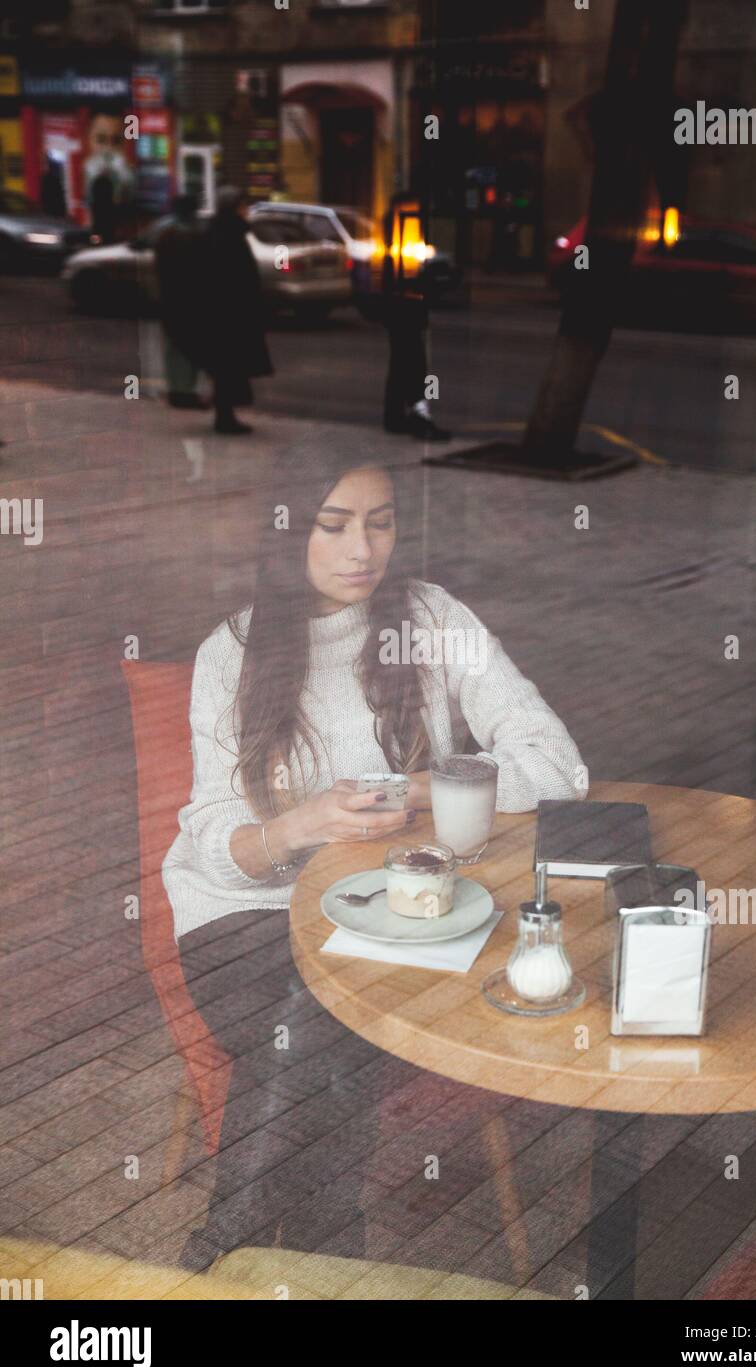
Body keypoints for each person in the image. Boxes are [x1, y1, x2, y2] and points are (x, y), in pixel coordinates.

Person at [162, 458, 585, 1268]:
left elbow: (559, 768)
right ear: (289, 531)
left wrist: (423, 788)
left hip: (403, 911)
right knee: (308, 1013)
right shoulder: (234, 650)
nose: (363, 549)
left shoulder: (433, 618)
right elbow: (216, 842)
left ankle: (221, 1255)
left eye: (381, 521)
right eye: (334, 524)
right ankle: (315, 1247)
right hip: (242, 915)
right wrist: (302, 824)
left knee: (316, 1016)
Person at [199, 186, 272, 435]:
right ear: (233, 208)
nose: (247, 210)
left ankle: (226, 415)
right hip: (229, 314)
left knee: (228, 366)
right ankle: (225, 417)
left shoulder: (225, 232)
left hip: (227, 312)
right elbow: (229, 277)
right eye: (243, 206)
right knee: (228, 366)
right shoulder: (227, 235)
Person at [380, 193, 451, 441]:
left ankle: (396, 415)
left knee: (401, 362)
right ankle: (419, 414)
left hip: (400, 304)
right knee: (413, 361)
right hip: (404, 304)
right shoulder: (402, 228)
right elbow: (405, 266)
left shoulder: (395, 226)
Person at [153, 194, 208, 410]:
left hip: (170, 298)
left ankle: (177, 389)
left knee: (174, 346)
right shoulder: (193, 234)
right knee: (189, 346)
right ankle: (186, 392)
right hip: (189, 299)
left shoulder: (166, 233)